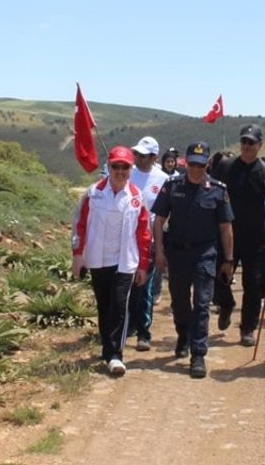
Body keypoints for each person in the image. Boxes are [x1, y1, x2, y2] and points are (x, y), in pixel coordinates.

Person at [151, 142, 234, 379]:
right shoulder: (172, 186)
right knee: (179, 302)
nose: (196, 169)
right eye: (192, 164)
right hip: (177, 253)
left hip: (204, 254)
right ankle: (183, 334)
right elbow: (159, 220)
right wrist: (159, 251)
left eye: (200, 165)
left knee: (202, 303)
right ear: (186, 163)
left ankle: (198, 354)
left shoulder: (217, 190)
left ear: (207, 164)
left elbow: (226, 227)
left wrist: (228, 260)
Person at [71, 146, 152, 377]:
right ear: (109, 166)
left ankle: (115, 354)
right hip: (98, 260)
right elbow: (79, 224)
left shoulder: (137, 197)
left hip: (125, 262)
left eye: (125, 167)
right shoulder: (93, 193)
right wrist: (78, 254)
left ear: (131, 169)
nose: (120, 171)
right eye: (116, 166)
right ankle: (107, 346)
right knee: (104, 306)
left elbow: (144, 234)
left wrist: (143, 265)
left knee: (119, 306)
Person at [212, 124, 265, 346]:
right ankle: (226, 304)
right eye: (244, 141)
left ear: (260, 145)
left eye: (251, 142)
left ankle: (247, 328)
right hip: (227, 234)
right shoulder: (225, 167)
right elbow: (212, 193)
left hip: (256, 237)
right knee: (218, 277)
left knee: (254, 284)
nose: (246, 145)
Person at [126, 136, 169, 352]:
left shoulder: (163, 179)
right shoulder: (127, 174)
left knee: (145, 286)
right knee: (127, 285)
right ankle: (128, 324)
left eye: (143, 155)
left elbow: (166, 214)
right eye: (136, 154)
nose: (138, 158)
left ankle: (143, 331)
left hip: (149, 240)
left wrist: (161, 244)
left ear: (154, 157)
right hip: (125, 240)